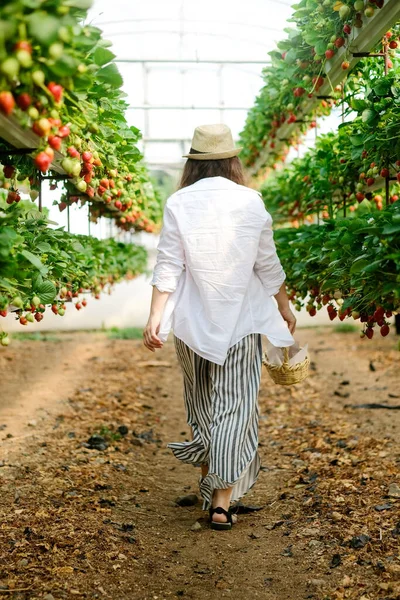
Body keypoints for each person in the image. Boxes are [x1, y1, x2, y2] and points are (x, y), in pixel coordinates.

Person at [143, 124, 296, 530]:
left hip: (192, 323)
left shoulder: (179, 201)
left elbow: (168, 264)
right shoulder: (250, 201)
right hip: (241, 322)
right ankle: (221, 501)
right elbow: (267, 263)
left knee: (203, 404)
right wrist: (284, 305)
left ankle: (212, 473)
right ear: (232, 160)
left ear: (193, 163)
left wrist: (155, 314)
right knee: (236, 406)